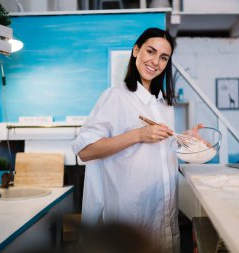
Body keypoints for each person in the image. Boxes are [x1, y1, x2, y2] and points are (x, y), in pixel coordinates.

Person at [72, 27, 180, 252]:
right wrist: (138, 134)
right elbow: (86, 151)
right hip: (129, 210)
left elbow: (159, 152)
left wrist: (187, 141)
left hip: (163, 207)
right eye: (150, 51)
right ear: (136, 51)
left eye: (163, 57)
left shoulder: (164, 103)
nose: (155, 62)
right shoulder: (115, 96)